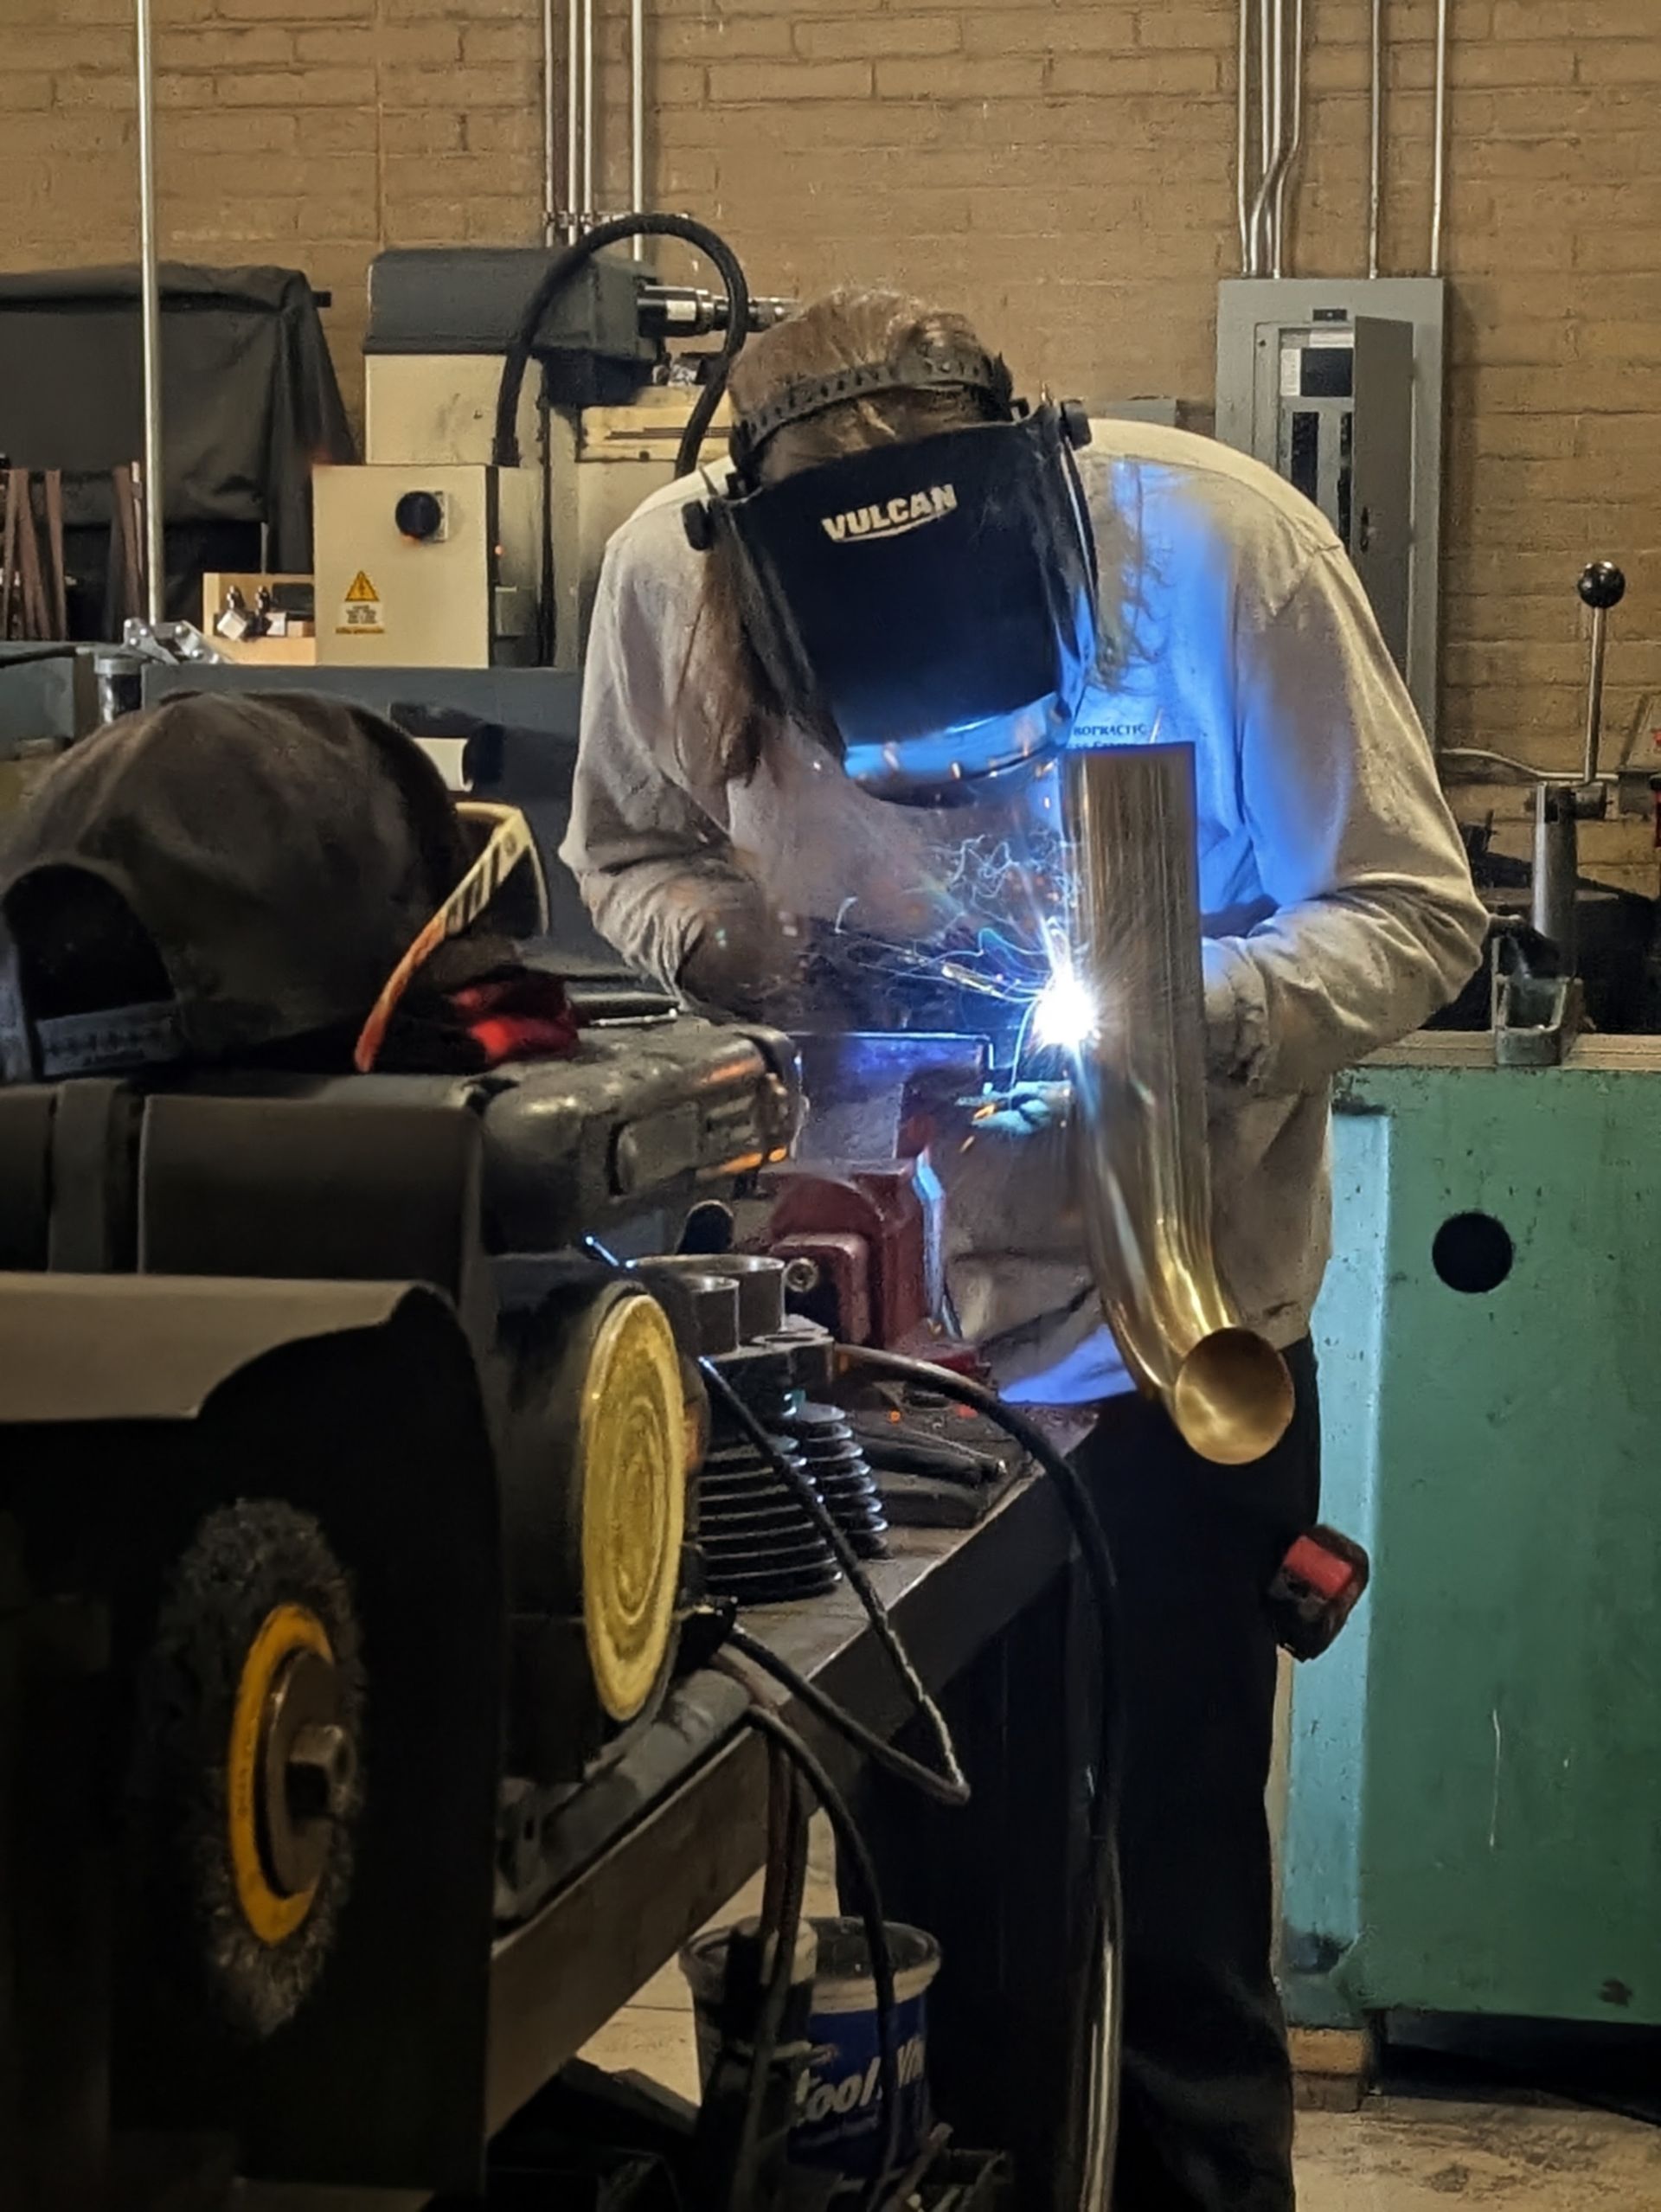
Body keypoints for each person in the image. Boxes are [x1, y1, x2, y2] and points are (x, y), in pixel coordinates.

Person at [563, 289, 1487, 2210]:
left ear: (1036, 506)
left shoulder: (1231, 555)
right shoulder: (672, 573)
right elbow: (624, 852)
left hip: (1176, 1352)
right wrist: (747, 950)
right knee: (911, 1902)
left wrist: (1184, 1009)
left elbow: (1411, 906)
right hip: (864, 1390)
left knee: (1169, 1917)